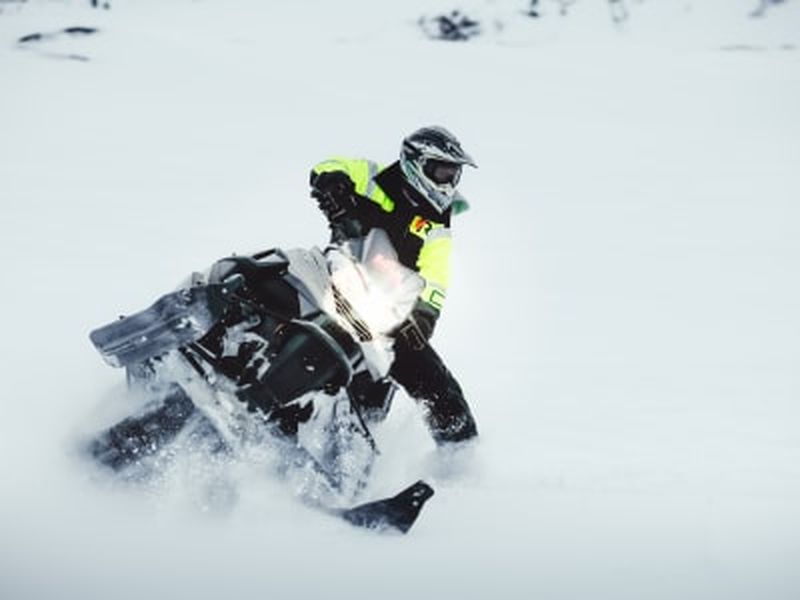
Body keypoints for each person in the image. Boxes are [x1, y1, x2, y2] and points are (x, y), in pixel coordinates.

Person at [309, 126, 478, 445]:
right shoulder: (373, 177)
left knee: (436, 383)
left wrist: (424, 315)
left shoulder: (437, 224)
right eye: (442, 171)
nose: (447, 181)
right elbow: (327, 165)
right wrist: (333, 183)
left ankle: (459, 455)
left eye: (453, 174)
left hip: (385, 306)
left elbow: (436, 275)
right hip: (338, 276)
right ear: (417, 163)